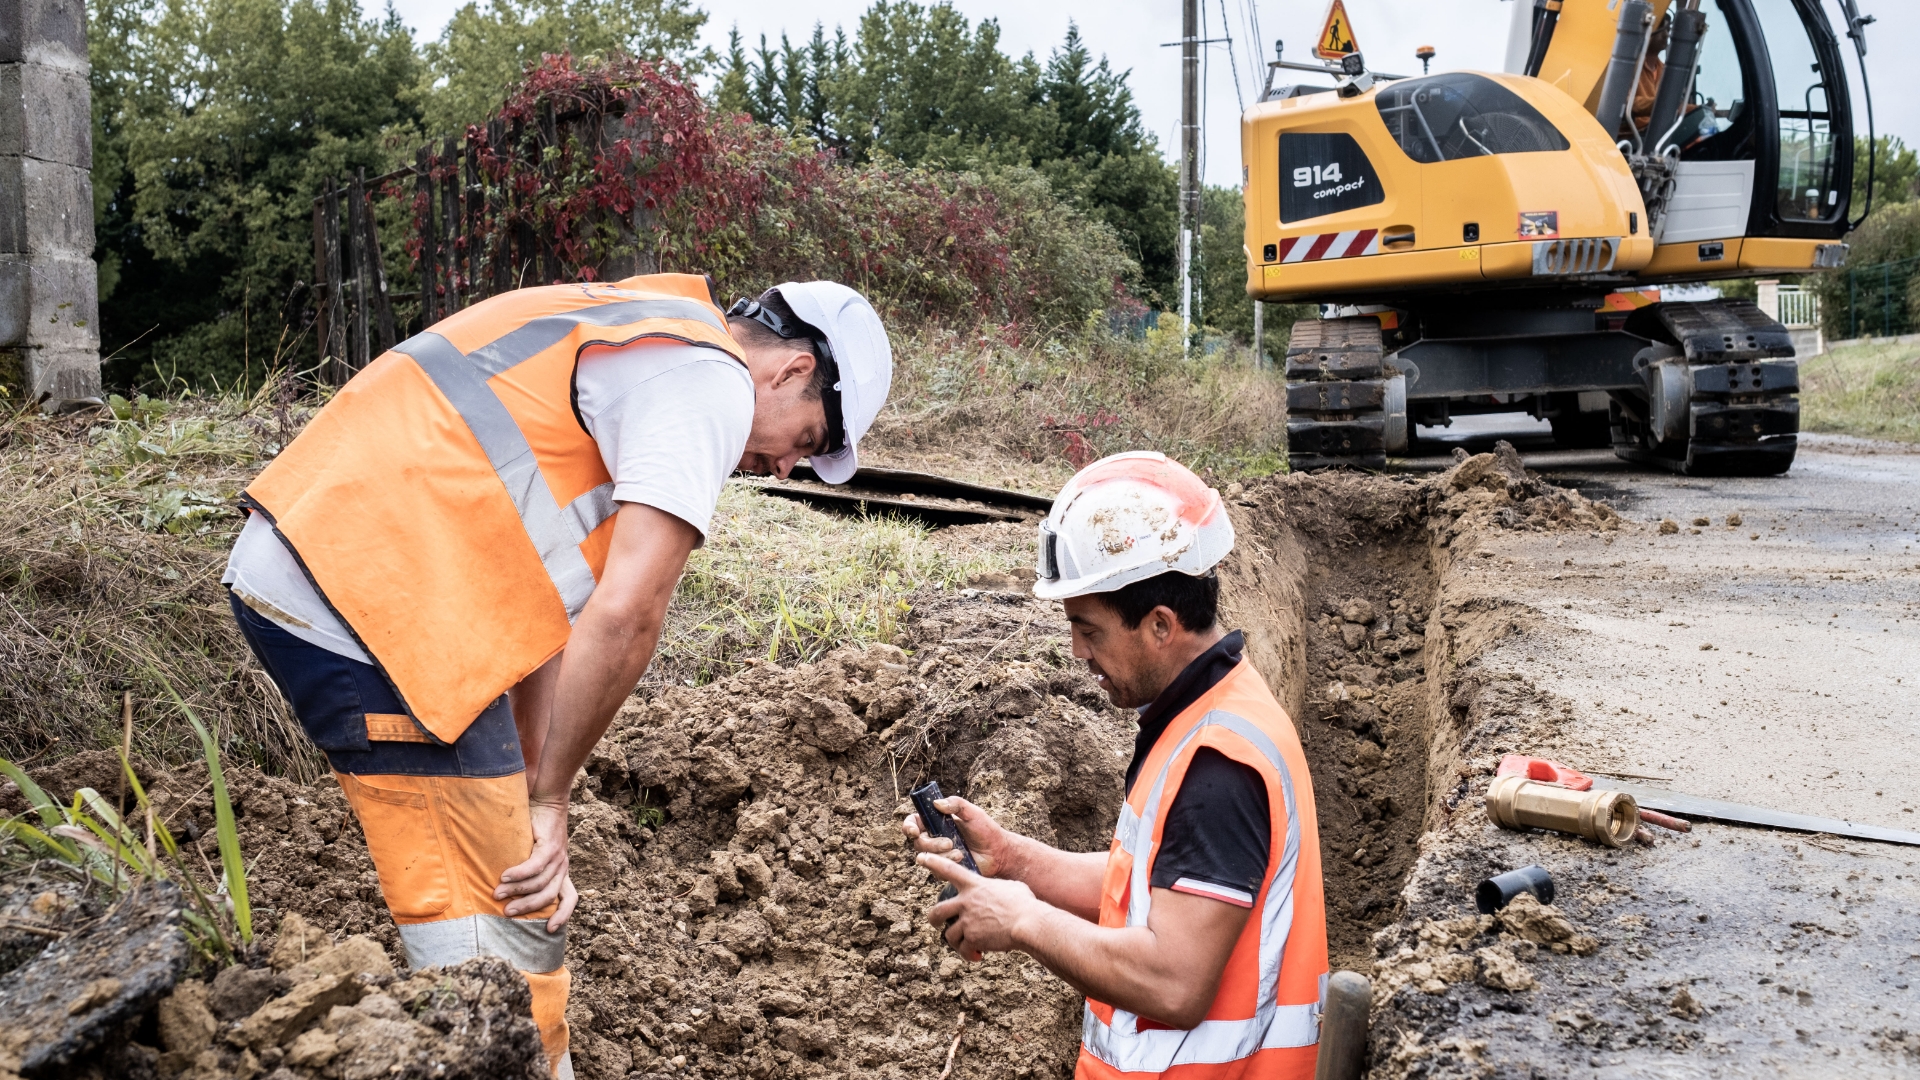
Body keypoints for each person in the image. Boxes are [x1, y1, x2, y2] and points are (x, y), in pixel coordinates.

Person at [224, 274, 892, 1078]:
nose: (787, 468)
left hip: (363, 569)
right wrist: (549, 798)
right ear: (790, 371)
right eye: (812, 440)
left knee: (514, 876)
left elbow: (540, 620)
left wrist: (535, 786)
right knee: (499, 926)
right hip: (366, 594)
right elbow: (627, 615)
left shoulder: (647, 337)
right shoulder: (707, 381)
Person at [903, 451, 1329, 1079]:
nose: (1077, 652)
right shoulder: (1210, 709)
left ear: (1160, 624)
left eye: (1090, 629)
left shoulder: (1219, 765)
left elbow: (1174, 984)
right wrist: (1015, 861)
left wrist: (1022, 918)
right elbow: (1158, 886)